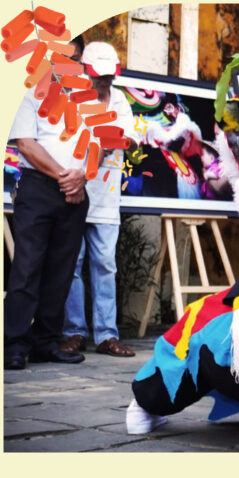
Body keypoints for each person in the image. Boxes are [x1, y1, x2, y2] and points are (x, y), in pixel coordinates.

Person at [4, 37, 90, 369]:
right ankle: (14, 344)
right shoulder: (28, 91)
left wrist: (80, 177)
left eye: (75, 58)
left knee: (61, 271)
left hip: (78, 191)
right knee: (27, 268)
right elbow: (26, 144)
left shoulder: (86, 100)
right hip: (39, 188)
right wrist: (64, 177)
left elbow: (96, 146)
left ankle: (46, 342)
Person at [60, 41, 139, 358]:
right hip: (71, 196)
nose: (104, 82)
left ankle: (107, 335)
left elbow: (127, 139)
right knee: (72, 265)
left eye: (109, 76)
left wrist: (96, 151)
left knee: (105, 266)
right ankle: (74, 332)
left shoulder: (119, 99)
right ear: (85, 71)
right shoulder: (69, 98)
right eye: (99, 75)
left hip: (105, 200)